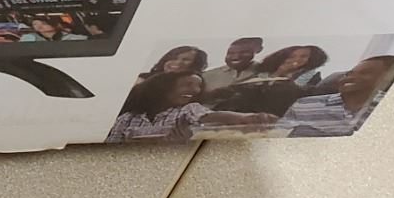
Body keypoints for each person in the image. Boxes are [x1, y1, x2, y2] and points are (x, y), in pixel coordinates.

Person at [106, 72, 278, 142]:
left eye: (198, 87)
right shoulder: (126, 119)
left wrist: (247, 118)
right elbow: (112, 146)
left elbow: (211, 116)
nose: (195, 90)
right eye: (187, 84)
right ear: (162, 87)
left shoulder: (187, 110)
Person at [279, 55, 394, 136]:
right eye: (349, 73)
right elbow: (279, 135)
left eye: (365, 73)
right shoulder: (304, 104)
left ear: (389, 78)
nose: (351, 77)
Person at [210, 45, 331, 118]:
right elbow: (250, 86)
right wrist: (278, 72)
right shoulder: (265, 73)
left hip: (276, 113)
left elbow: (294, 92)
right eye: (292, 56)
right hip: (242, 110)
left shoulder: (311, 76)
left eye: (303, 57)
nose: (296, 59)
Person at [198, 37, 264, 97]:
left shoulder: (265, 73)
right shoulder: (207, 76)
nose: (236, 57)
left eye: (244, 52)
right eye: (231, 53)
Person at [139, 45, 209, 80]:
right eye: (174, 58)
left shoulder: (192, 86)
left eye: (186, 60)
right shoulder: (143, 78)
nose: (178, 62)